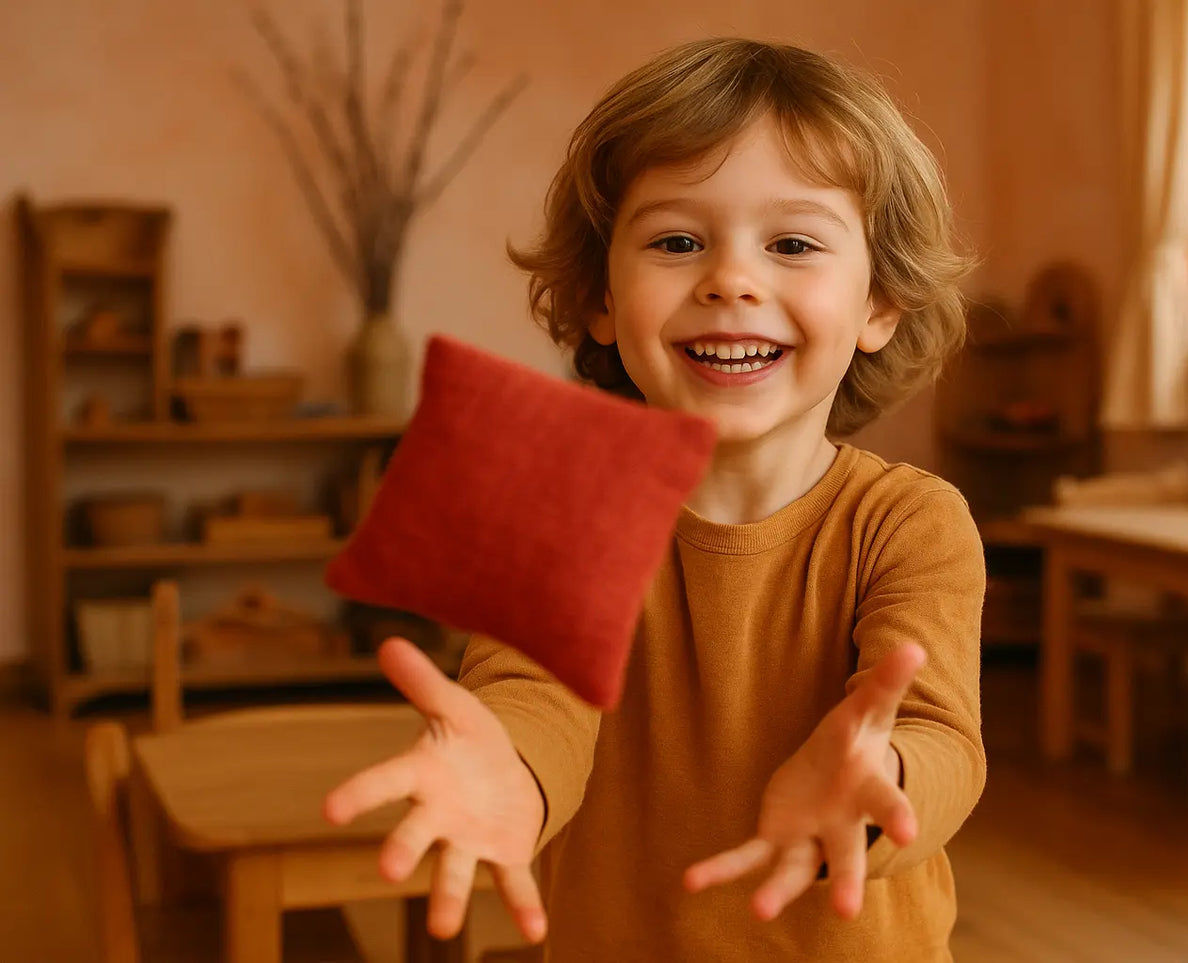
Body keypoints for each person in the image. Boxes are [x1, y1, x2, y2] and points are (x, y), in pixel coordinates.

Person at [325, 37, 986, 962]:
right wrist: (508, 767)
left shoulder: (909, 522)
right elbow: (533, 696)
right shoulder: (560, 510)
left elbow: (939, 732)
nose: (731, 279)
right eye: (677, 241)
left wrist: (885, 775)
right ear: (600, 294)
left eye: (792, 243)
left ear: (881, 303)